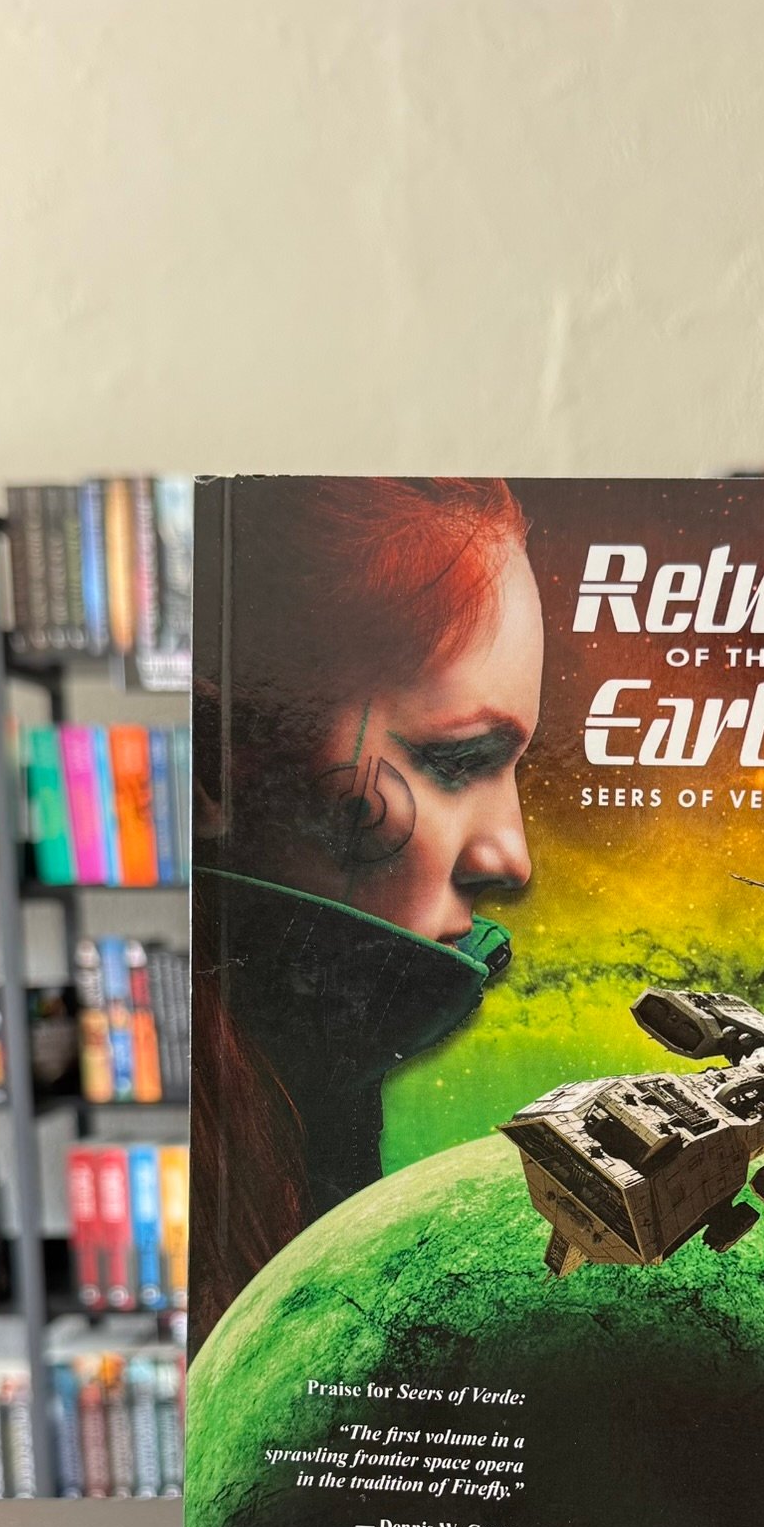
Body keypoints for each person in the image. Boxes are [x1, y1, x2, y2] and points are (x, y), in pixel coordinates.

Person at [189, 476, 542, 1350]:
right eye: (457, 761)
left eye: (513, 770)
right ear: (210, 763)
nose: (512, 858)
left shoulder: (301, 1086)